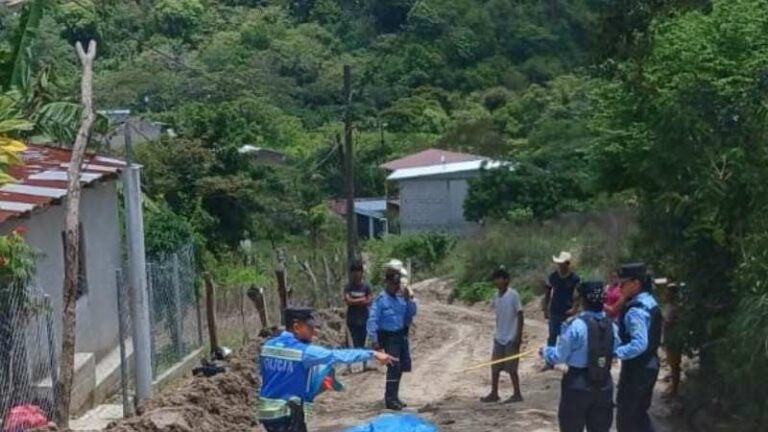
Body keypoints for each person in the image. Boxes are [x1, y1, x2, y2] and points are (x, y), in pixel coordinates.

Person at [258, 307, 396, 432]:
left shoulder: (268, 346)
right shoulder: (304, 352)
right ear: (296, 326)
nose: (314, 332)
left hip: (266, 413)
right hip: (286, 413)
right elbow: (338, 356)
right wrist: (373, 354)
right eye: (310, 328)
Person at [541, 280, 619, 432]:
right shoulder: (612, 326)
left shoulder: (575, 325)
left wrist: (545, 351)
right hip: (604, 383)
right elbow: (616, 350)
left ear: (582, 300)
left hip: (577, 383)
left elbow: (559, 356)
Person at [615, 263, 662, 432]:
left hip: (638, 369)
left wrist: (616, 353)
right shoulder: (649, 301)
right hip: (648, 365)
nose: (619, 287)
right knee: (638, 415)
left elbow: (639, 344)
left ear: (636, 284)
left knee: (628, 417)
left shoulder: (636, 310)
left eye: (623, 283)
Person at [367, 267, 418, 411]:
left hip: (401, 335)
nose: (396, 287)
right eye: (393, 284)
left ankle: (395, 397)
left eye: (397, 284)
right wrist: (374, 340)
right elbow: (372, 319)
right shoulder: (381, 300)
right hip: (388, 337)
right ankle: (389, 399)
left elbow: (412, 313)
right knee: (393, 367)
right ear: (387, 283)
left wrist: (410, 300)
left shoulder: (401, 298)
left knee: (401, 367)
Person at [481, 267, 524, 404]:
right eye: (496, 278)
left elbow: (520, 314)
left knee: (512, 368)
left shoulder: (513, 295)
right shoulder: (496, 295)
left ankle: (517, 394)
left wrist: (518, 335)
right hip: (499, 336)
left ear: (506, 280)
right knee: (495, 367)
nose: (498, 281)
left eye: (500, 278)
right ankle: (494, 393)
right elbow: (492, 308)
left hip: (511, 337)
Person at [543, 252, 581, 370]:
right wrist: (545, 308)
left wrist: (574, 308)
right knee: (552, 336)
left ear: (567, 264)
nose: (559, 266)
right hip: (555, 309)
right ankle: (550, 362)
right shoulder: (553, 277)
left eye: (561, 263)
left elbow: (579, 294)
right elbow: (547, 293)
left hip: (567, 311)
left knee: (568, 337)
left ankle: (570, 362)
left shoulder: (575, 278)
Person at [344, 260, 373, 355]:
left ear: (362, 272)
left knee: (364, 342)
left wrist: (355, 301)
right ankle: (355, 363)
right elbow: (348, 301)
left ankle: (365, 363)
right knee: (353, 342)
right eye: (354, 272)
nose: (356, 274)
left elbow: (370, 300)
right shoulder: (348, 287)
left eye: (358, 271)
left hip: (364, 319)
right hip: (352, 320)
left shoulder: (366, 286)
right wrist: (361, 300)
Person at [660, 281, 683, 398]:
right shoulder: (668, 306)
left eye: (668, 292)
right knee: (671, 363)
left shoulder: (675, 308)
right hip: (669, 337)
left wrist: (662, 321)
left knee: (675, 364)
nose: (665, 294)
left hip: (674, 339)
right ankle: (673, 387)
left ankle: (675, 390)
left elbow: (670, 323)